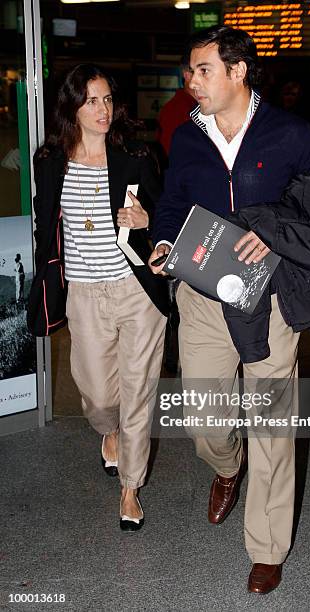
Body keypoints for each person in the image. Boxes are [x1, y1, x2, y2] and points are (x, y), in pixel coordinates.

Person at [150, 26, 310, 593]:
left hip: (273, 298)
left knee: (273, 424)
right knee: (204, 421)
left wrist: (276, 233)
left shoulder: (290, 133)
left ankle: (267, 546)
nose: (192, 82)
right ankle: (227, 468)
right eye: (190, 71)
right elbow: (172, 204)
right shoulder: (187, 138)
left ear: (237, 71)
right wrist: (164, 243)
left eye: (203, 70)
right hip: (205, 298)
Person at [28, 63, 169, 531]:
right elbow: (45, 224)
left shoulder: (134, 155)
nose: (102, 109)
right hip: (85, 294)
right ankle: (108, 433)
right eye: (91, 100)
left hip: (136, 291)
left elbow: (166, 214)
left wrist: (147, 221)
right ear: (71, 106)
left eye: (107, 99)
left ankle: (130, 489)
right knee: (96, 394)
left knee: (138, 393)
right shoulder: (50, 161)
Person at [157, 54, 196, 157]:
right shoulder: (178, 110)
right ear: (187, 75)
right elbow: (171, 153)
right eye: (203, 71)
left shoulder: (196, 107)